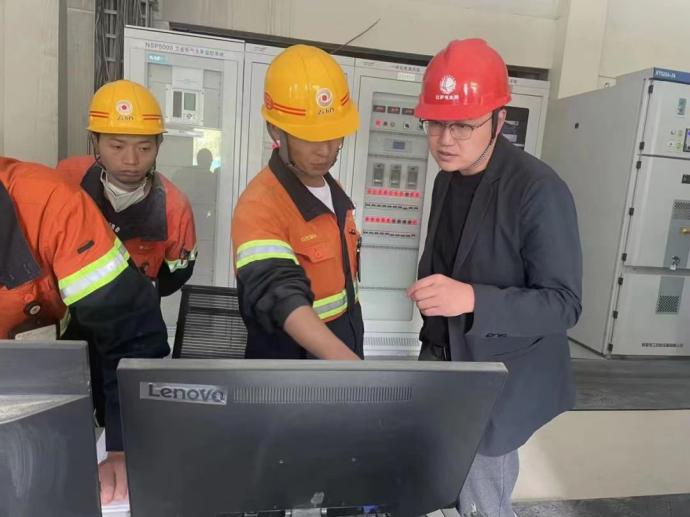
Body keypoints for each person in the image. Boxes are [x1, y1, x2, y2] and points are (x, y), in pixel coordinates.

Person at [407, 39, 582, 516]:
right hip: (444, 358)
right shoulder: (447, 178)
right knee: (434, 476)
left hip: (499, 376)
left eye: (463, 125)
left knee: (482, 496)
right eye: (435, 123)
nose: (445, 140)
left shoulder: (538, 190)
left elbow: (564, 304)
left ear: (499, 120)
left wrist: (471, 299)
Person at [0, 156, 169, 504]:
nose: (130, 158)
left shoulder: (51, 204)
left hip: (42, 392)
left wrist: (124, 447)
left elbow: (130, 329)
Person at [232, 45, 363, 360]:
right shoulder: (259, 206)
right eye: (309, 137)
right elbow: (280, 293)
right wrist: (350, 365)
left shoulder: (334, 190)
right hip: (292, 368)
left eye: (334, 134)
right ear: (275, 130)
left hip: (341, 352)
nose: (325, 150)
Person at [56, 79, 197, 297]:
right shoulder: (68, 179)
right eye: (117, 146)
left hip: (136, 312)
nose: (131, 160)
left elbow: (177, 275)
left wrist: (138, 294)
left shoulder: (174, 207)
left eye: (144, 148)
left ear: (159, 143)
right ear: (95, 141)